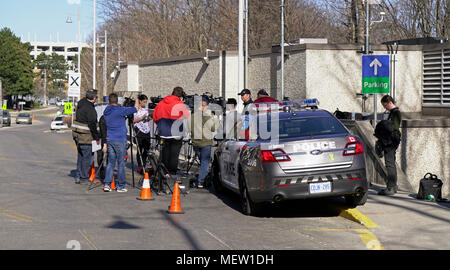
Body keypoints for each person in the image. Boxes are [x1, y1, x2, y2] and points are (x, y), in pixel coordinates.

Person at [103, 93, 139, 192]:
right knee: (121, 163)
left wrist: (123, 104)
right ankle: (120, 186)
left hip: (110, 139)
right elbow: (135, 109)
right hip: (120, 140)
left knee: (110, 162)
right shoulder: (121, 110)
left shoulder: (107, 111)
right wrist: (136, 100)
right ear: (117, 101)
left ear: (109, 101)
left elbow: (117, 111)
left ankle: (107, 184)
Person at [152, 86, 191, 175]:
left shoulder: (161, 103)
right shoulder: (179, 104)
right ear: (181, 96)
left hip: (163, 133)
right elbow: (186, 116)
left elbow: (155, 117)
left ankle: (164, 174)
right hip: (176, 134)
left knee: (164, 155)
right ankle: (172, 175)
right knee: (174, 156)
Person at [187, 95, 219, 188]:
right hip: (205, 142)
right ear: (205, 106)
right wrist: (216, 120)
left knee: (203, 162)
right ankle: (201, 181)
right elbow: (213, 128)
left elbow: (188, 128)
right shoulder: (206, 116)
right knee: (205, 162)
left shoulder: (192, 116)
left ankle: (205, 177)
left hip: (195, 142)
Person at [72, 90, 100, 184]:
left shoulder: (81, 103)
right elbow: (92, 124)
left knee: (80, 156)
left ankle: (78, 175)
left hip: (77, 135)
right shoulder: (90, 109)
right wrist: (97, 138)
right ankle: (84, 177)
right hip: (86, 137)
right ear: (94, 99)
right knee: (87, 158)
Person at [376, 95, 402, 196]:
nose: (384, 108)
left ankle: (391, 187)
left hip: (391, 141)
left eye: (384, 105)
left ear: (389, 103)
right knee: (391, 163)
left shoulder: (396, 112)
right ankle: (393, 186)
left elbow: (394, 127)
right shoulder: (393, 112)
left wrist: (383, 123)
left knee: (389, 163)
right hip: (391, 140)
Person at [133, 94, 151, 174]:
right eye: (144, 102)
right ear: (140, 101)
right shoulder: (136, 109)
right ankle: (140, 165)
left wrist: (148, 118)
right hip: (139, 130)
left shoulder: (145, 109)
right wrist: (141, 118)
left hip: (146, 130)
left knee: (147, 149)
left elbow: (147, 118)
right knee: (140, 149)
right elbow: (133, 120)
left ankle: (144, 163)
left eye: (146, 102)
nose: (145, 103)